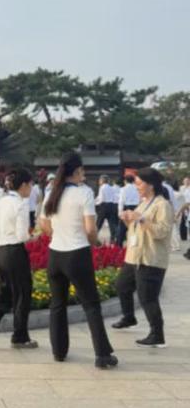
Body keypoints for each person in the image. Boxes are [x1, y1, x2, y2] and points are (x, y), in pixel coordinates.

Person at [40, 152, 118, 369]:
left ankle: (59, 351)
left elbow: (43, 224)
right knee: (91, 305)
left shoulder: (51, 192)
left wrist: (58, 234)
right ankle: (102, 355)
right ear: (76, 171)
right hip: (77, 253)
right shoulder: (84, 193)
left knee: (57, 304)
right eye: (82, 170)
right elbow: (91, 229)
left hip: (55, 254)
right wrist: (94, 242)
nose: (83, 174)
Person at [0, 168, 38, 351]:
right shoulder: (21, 204)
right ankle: (20, 337)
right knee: (22, 293)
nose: (31, 189)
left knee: (5, 292)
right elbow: (22, 235)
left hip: (0, 251)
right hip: (15, 251)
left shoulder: (1, 202)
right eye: (30, 185)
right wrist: (33, 237)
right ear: (24, 185)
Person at [112, 167, 174, 347]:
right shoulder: (144, 202)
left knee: (148, 297)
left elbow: (162, 232)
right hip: (134, 256)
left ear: (151, 185)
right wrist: (128, 219)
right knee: (122, 285)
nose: (137, 187)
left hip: (151, 258)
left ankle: (157, 335)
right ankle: (129, 317)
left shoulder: (162, 205)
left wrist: (140, 218)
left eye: (139, 184)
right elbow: (137, 228)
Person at [117, 174, 140, 247]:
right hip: (136, 208)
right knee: (135, 228)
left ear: (125, 181)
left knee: (122, 229)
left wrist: (120, 212)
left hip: (126, 208)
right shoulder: (137, 188)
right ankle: (134, 245)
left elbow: (121, 201)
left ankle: (119, 246)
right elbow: (140, 199)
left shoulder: (123, 189)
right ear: (133, 181)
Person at [95, 175, 117, 243]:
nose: (99, 181)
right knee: (111, 224)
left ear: (102, 180)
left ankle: (94, 237)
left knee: (99, 223)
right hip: (111, 205)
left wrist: (96, 203)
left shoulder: (102, 188)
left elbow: (101, 198)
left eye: (100, 180)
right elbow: (114, 198)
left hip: (104, 206)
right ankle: (112, 239)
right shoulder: (112, 188)